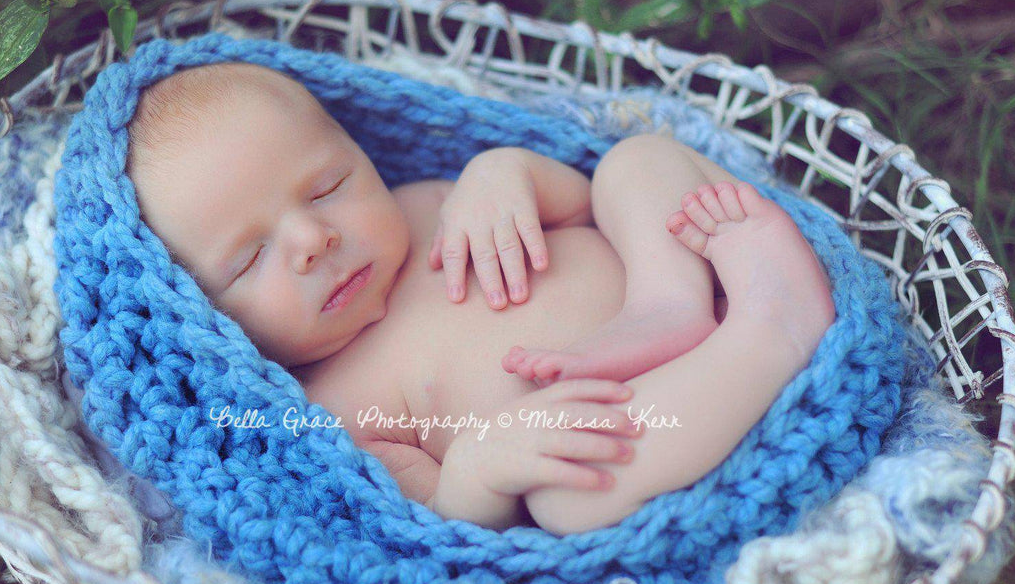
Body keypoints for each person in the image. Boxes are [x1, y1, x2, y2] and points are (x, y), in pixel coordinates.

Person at [126, 61, 835, 535]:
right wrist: (476, 466)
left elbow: (581, 203)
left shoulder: (426, 206)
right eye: (251, 259)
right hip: (636, 414)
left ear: (363, 153)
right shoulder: (331, 412)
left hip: (667, 276)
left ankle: (670, 302)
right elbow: (440, 524)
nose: (313, 237)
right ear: (204, 316)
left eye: (328, 187)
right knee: (568, 500)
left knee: (635, 163)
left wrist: (503, 174)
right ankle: (771, 332)